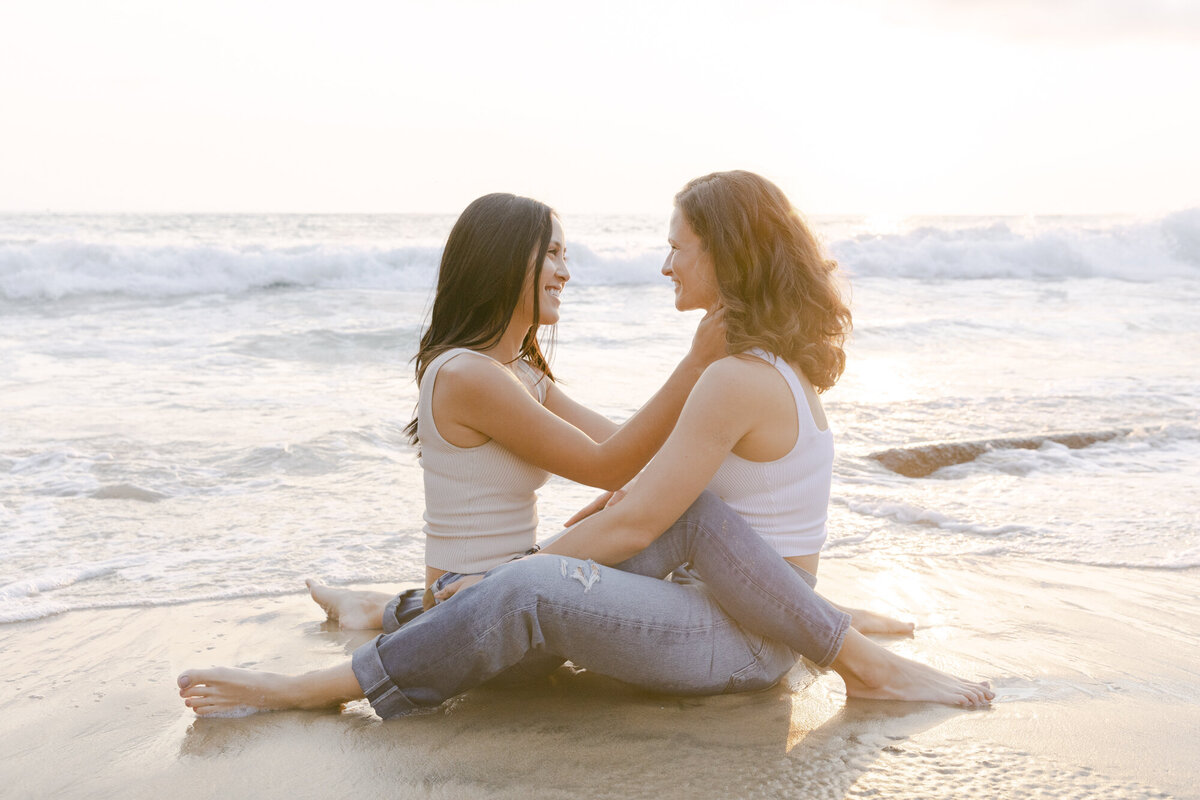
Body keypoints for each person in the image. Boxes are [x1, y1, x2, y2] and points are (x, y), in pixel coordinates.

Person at [179, 174, 993, 718]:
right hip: (753, 625)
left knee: (552, 575)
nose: (664, 262)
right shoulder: (764, 369)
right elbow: (646, 495)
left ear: (724, 253)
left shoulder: (733, 378)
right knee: (655, 520)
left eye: (679, 245)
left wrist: (534, 564)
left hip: (743, 642)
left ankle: (310, 691)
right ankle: (839, 640)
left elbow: (643, 510)